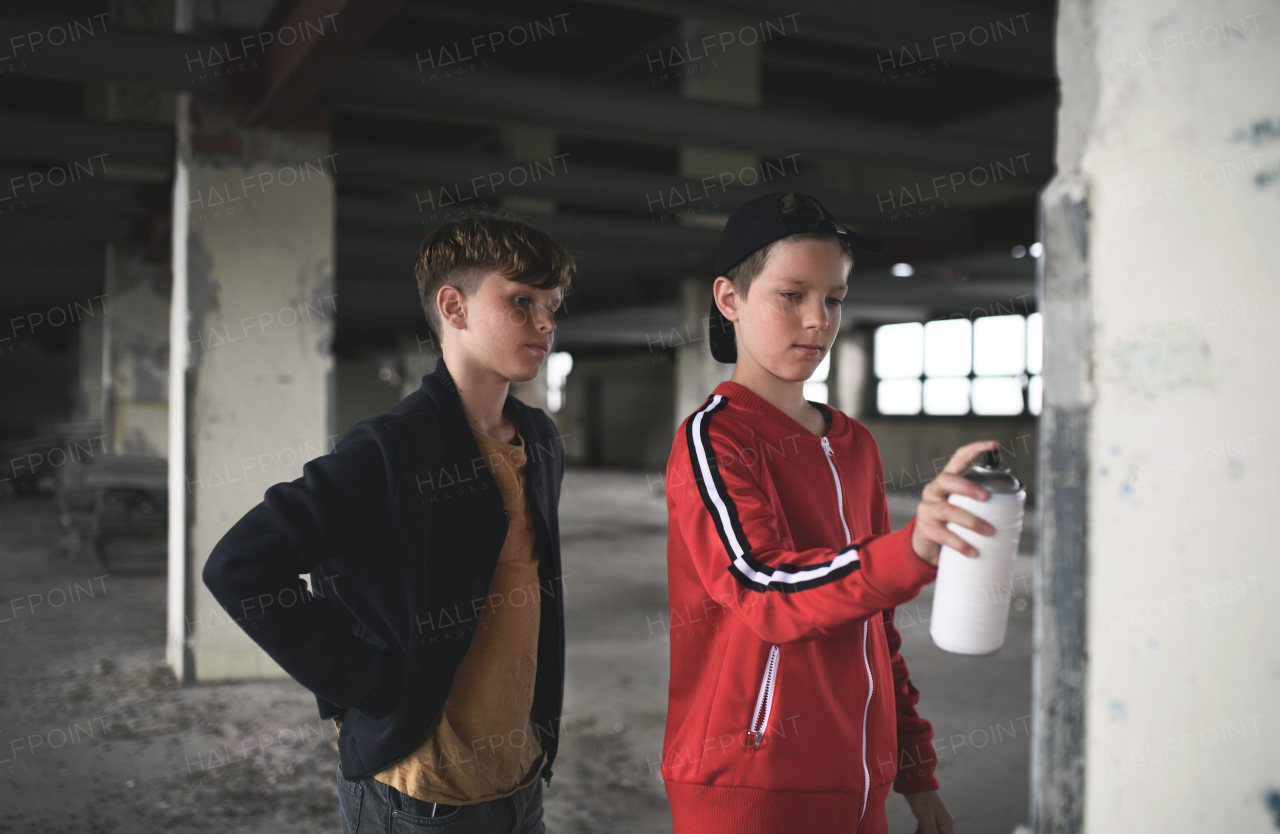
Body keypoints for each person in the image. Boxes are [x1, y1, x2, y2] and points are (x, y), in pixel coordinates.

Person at [202, 216, 573, 834]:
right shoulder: (390, 448)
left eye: (553, 306)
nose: (546, 322)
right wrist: (369, 685)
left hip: (522, 785)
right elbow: (240, 565)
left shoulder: (539, 439)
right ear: (452, 307)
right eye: (521, 302)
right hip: (423, 800)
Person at [661, 191, 998, 834]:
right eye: (792, 295)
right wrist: (912, 550)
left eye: (834, 298)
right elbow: (766, 588)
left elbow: (875, 626)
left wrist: (915, 774)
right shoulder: (714, 439)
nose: (819, 319)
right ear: (729, 299)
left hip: (858, 788)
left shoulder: (855, 444)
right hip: (751, 790)